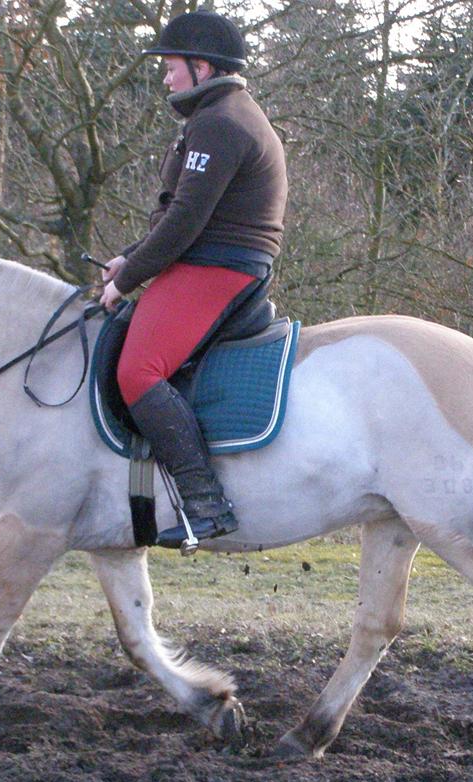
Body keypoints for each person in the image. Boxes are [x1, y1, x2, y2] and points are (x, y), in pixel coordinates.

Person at [99, 10, 287, 549]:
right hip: (215, 256)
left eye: (171, 66)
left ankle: (205, 504)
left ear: (201, 67)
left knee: (138, 371)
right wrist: (128, 256)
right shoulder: (224, 115)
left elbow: (186, 220)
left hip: (219, 264)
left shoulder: (220, 123)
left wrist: (128, 278)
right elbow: (186, 213)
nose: (165, 77)